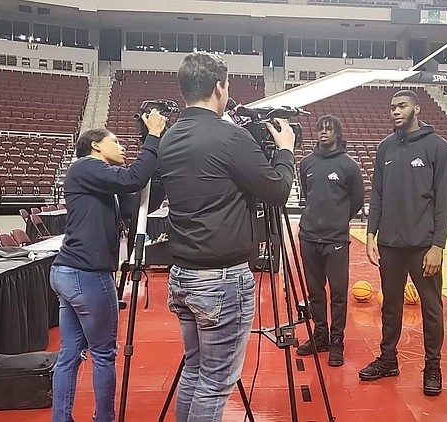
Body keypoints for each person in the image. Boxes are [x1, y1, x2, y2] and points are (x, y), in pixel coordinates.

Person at [157, 52, 296, 422]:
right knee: (216, 382)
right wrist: (285, 151)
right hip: (221, 280)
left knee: (195, 369)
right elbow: (278, 192)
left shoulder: (168, 138)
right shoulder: (229, 137)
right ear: (220, 87)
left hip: (183, 274)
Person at [49, 110, 167, 422]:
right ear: (96, 146)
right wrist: (152, 136)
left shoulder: (98, 182)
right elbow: (133, 178)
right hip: (87, 274)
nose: (123, 148)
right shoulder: (87, 167)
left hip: (69, 272)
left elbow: (138, 201)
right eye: (115, 142)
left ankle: (61, 417)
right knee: (103, 353)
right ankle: (105, 418)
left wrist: (162, 166)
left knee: (70, 353)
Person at [359, 89, 447, 397]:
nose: (395, 111)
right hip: (389, 243)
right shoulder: (385, 147)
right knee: (391, 306)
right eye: (392, 107)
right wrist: (371, 233)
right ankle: (388, 359)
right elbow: (378, 195)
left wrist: (438, 244)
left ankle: (433, 366)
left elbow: (444, 200)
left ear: (417, 108)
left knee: (430, 307)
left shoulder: (437, 147)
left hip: (423, 245)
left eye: (402, 106)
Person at [295, 115, 364, 367]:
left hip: (335, 239)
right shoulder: (306, 163)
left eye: (329, 129)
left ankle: (337, 341)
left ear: (338, 134)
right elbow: (307, 193)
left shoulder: (349, 166)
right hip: (309, 237)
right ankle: (320, 336)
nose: (324, 133)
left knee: (338, 293)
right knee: (315, 292)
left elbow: (357, 200)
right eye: (320, 129)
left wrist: (337, 220)